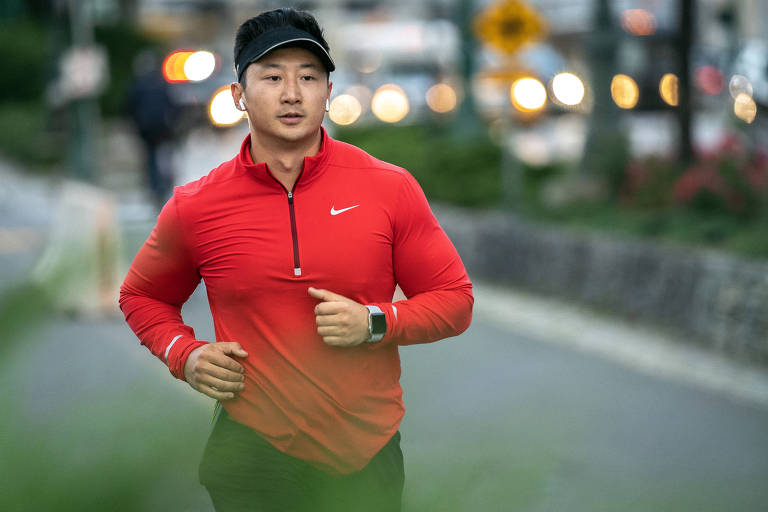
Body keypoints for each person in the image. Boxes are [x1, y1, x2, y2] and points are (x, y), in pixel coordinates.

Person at [119, 7, 473, 512]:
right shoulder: (197, 204)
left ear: (328, 93)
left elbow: (455, 300)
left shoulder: (388, 188)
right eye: (272, 77)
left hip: (364, 453)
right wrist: (186, 354)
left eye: (309, 77)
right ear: (239, 95)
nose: (292, 93)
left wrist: (375, 321)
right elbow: (142, 295)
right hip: (252, 450)